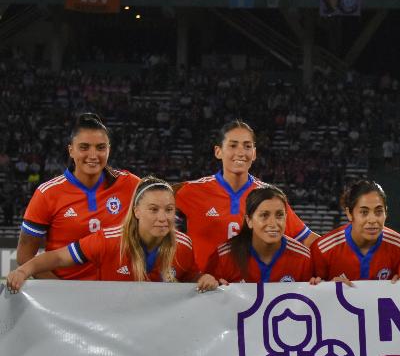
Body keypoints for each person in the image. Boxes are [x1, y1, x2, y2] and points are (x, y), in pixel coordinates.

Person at [7, 177, 215, 292]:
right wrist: (23, 271)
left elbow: (189, 276)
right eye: (153, 209)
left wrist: (203, 278)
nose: (163, 217)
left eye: (169, 210)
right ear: (136, 211)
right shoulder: (108, 240)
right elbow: (58, 257)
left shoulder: (183, 244)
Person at [175, 120, 318, 269]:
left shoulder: (268, 195)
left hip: (250, 288)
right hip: (205, 287)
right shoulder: (191, 191)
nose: (241, 152)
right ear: (218, 151)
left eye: (247, 146)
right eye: (233, 145)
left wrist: (341, 257)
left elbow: (306, 239)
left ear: (254, 153)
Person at [17, 113, 140, 280]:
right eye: (84, 147)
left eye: (100, 147)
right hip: (67, 297)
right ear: (71, 150)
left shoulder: (131, 184)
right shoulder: (47, 193)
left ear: (109, 149)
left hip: (119, 295)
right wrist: (63, 293)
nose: (93, 155)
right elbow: (25, 256)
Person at [200, 185, 316, 285]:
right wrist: (209, 285)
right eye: (264, 215)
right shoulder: (223, 257)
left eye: (279, 215)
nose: (273, 223)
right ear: (249, 220)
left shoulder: (303, 258)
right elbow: (203, 298)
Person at [311, 180, 400, 281]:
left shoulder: (398, 246)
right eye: (364, 212)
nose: (372, 220)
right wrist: (325, 288)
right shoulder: (323, 250)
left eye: (379, 211)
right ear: (349, 213)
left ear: (386, 212)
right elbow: (307, 291)